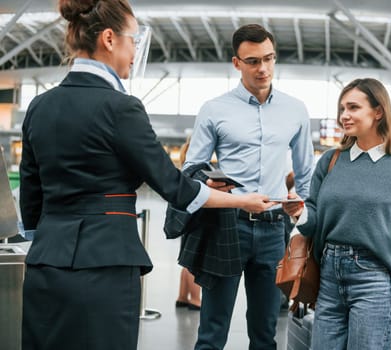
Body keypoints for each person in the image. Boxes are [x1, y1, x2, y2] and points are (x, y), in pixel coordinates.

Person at [18, 2, 273, 349]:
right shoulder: (120, 107)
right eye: (133, 40)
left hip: (44, 265)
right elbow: (174, 187)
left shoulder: (39, 107)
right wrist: (242, 199)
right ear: (109, 39)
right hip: (105, 266)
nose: (134, 50)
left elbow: (32, 201)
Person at [283, 78, 391, 350]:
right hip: (328, 278)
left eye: (353, 107)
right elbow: (313, 215)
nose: (344, 116)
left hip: (375, 280)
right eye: (342, 109)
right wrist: (299, 212)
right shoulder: (331, 160)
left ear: (378, 111)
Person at [184, 23, 315, 350]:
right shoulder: (214, 110)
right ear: (237, 63)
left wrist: (309, 220)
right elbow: (191, 169)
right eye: (253, 61)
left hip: (274, 231)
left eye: (269, 59)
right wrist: (210, 179)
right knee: (212, 332)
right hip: (227, 226)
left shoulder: (295, 110)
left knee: (265, 333)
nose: (264, 68)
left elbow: (307, 173)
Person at [175, 137, 201, 310]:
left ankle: (183, 296)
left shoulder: (185, 167)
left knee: (186, 260)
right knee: (196, 262)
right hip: (197, 218)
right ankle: (195, 299)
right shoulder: (199, 168)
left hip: (185, 218)